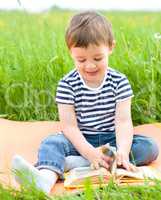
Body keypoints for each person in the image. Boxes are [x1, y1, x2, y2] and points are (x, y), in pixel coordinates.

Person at [12, 11, 159, 194]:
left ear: (111, 47)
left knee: (149, 147)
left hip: (111, 139)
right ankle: (45, 179)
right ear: (71, 52)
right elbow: (69, 127)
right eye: (81, 60)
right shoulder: (67, 84)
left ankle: (77, 163)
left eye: (97, 58)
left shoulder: (119, 81)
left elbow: (123, 121)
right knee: (51, 143)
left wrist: (122, 150)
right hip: (79, 139)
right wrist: (89, 151)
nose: (90, 66)